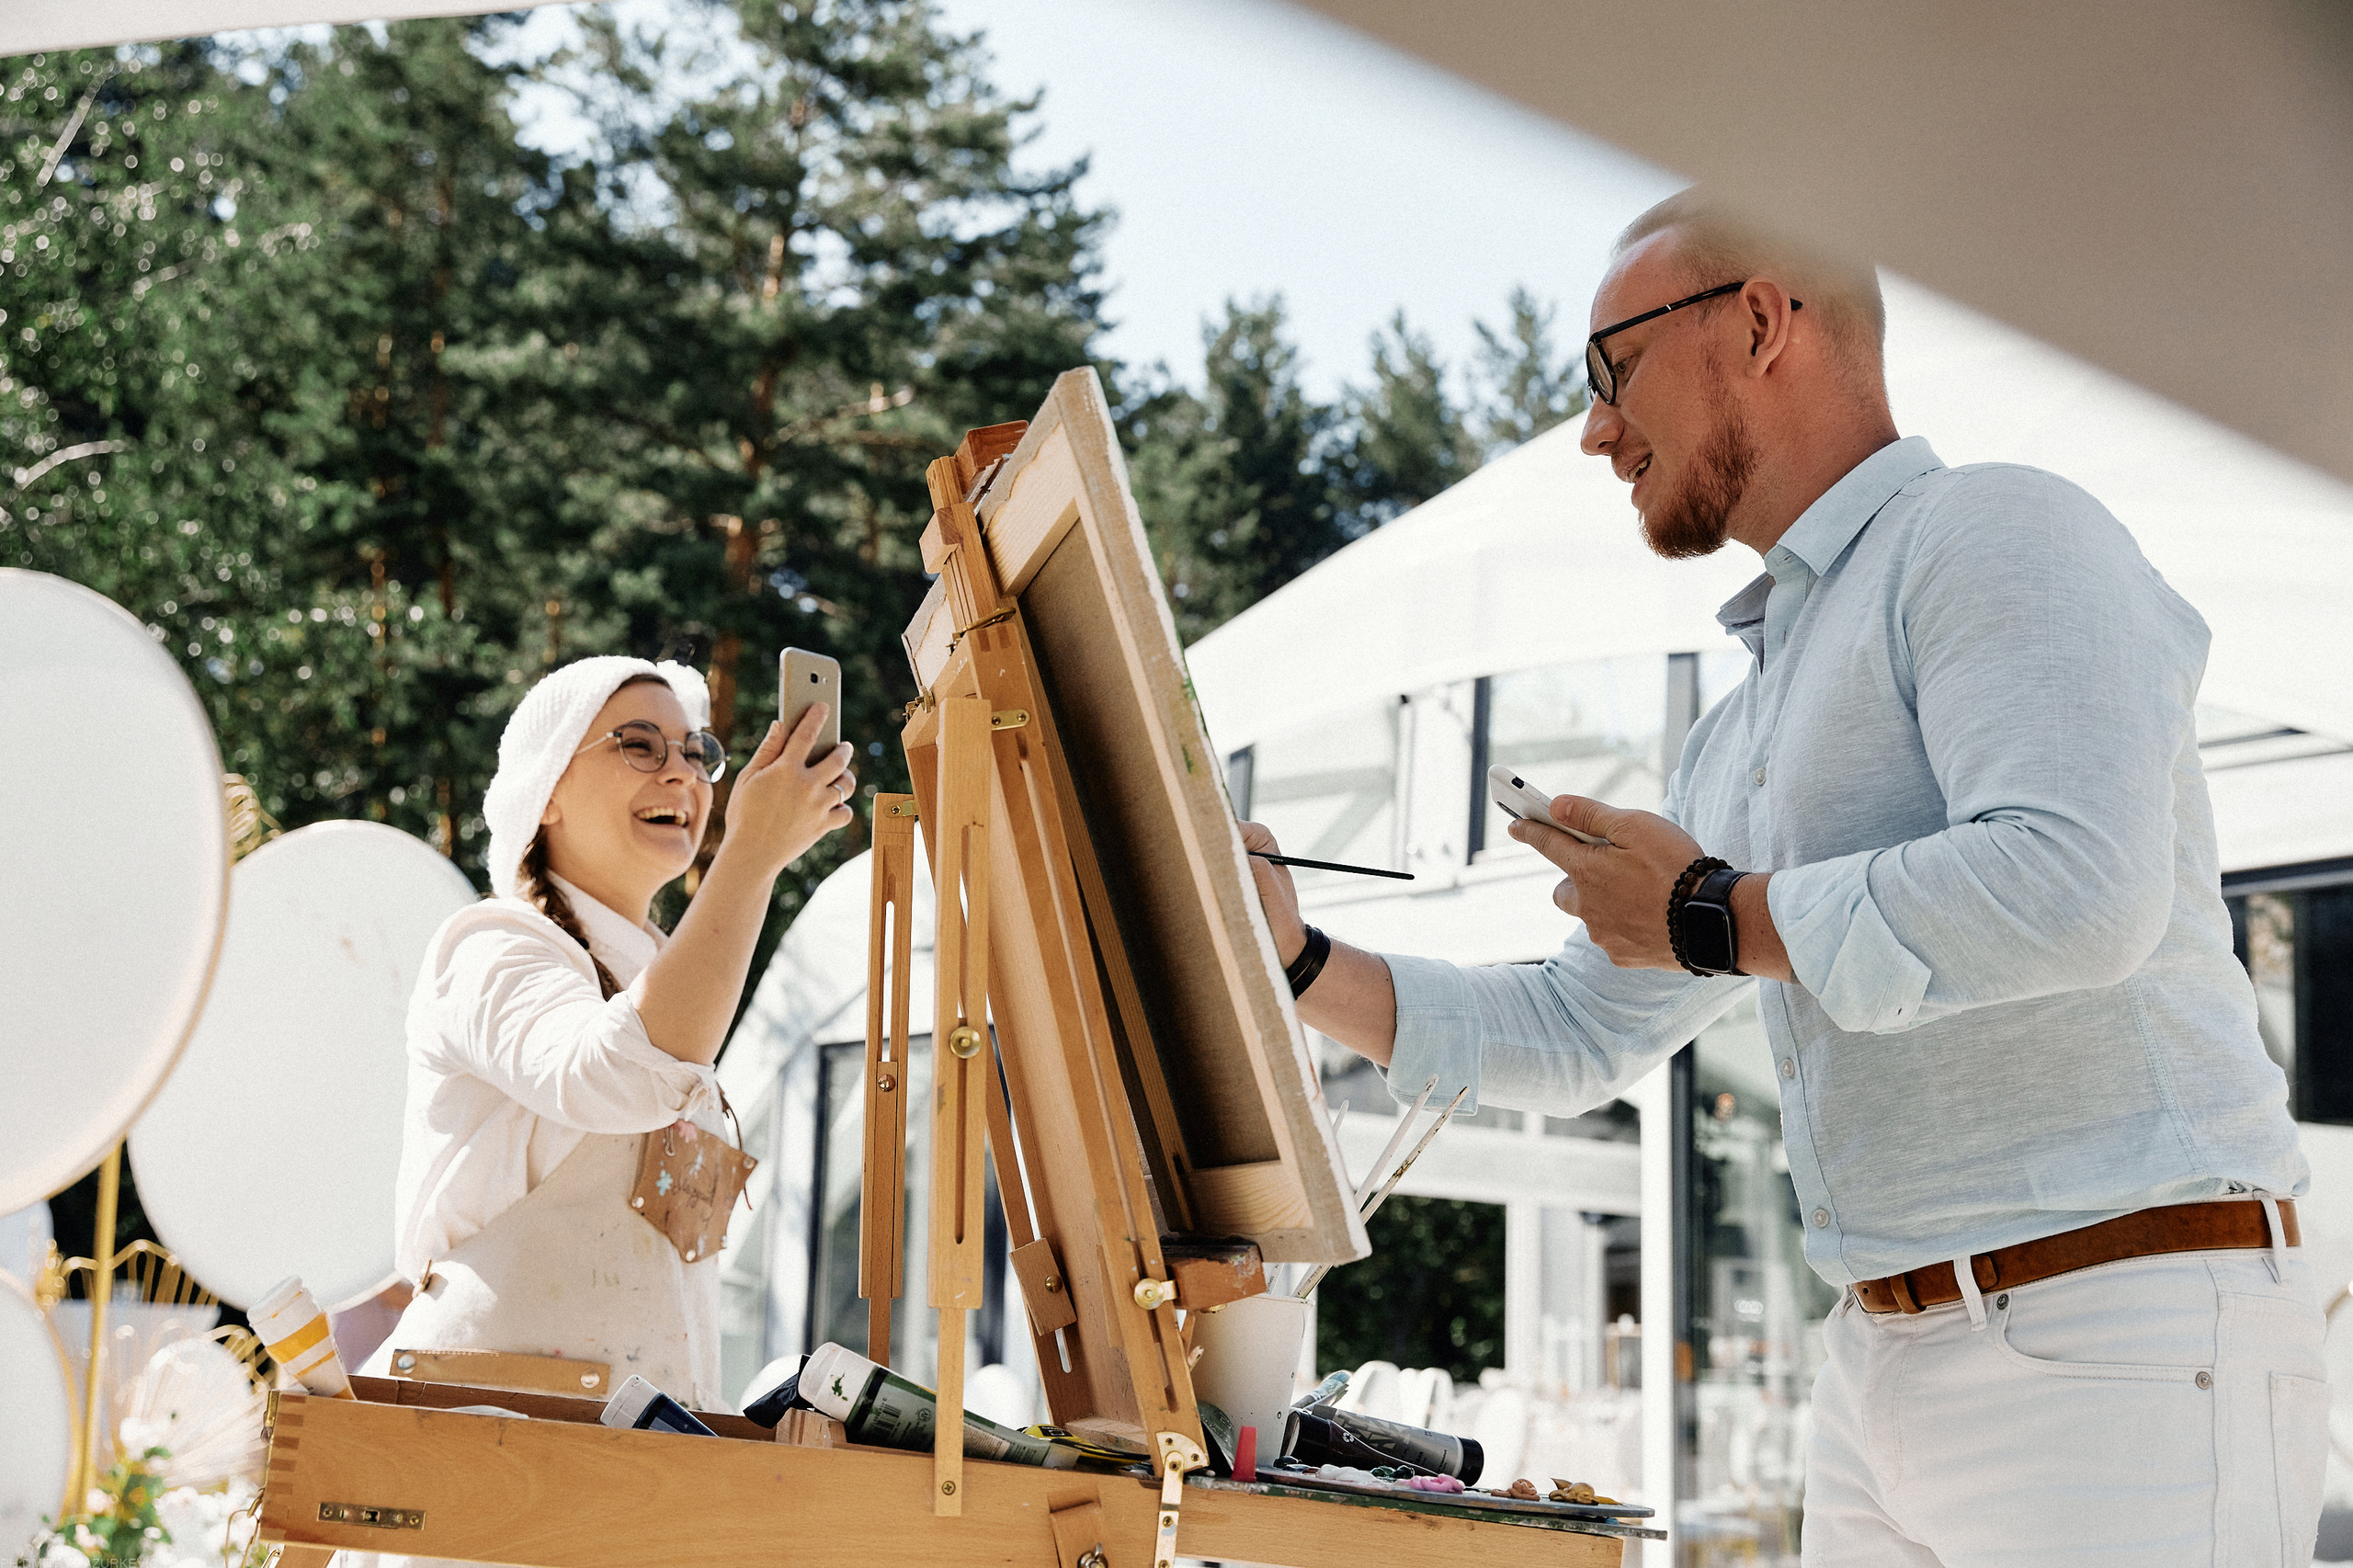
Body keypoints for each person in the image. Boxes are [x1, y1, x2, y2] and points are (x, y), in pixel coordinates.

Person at [1242, 189, 2325, 1565]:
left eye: (1612, 369)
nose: (1594, 428)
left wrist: (1710, 912)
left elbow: (2076, 884)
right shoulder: (1739, 728)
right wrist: (1293, 963)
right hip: (1883, 1360)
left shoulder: (1998, 531)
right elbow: (1581, 1030)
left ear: (1760, 319)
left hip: (2125, 1331)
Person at [360, 655, 855, 1417]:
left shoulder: (669, 983)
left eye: (695, 752)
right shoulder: (492, 943)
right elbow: (612, 1075)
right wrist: (750, 856)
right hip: (476, 1460)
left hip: (624, 1467)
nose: (681, 774)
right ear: (546, 790)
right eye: (639, 745)